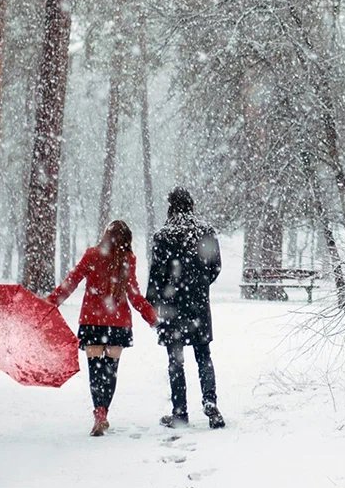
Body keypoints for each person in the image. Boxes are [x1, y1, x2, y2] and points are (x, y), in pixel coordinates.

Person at [48, 220, 157, 437]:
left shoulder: (92, 255)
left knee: (95, 371)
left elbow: (72, 281)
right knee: (110, 371)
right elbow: (134, 295)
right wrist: (152, 317)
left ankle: (99, 413)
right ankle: (104, 412)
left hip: (92, 322)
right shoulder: (128, 259)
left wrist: (50, 303)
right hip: (117, 324)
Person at [147, 187, 226, 429]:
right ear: (191, 205)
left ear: (171, 207)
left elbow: (157, 275)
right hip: (199, 305)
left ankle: (180, 411)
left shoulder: (163, 236)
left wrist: (154, 300)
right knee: (204, 355)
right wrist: (200, 286)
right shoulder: (206, 232)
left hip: (172, 307)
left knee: (175, 360)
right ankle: (210, 404)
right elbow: (216, 267)